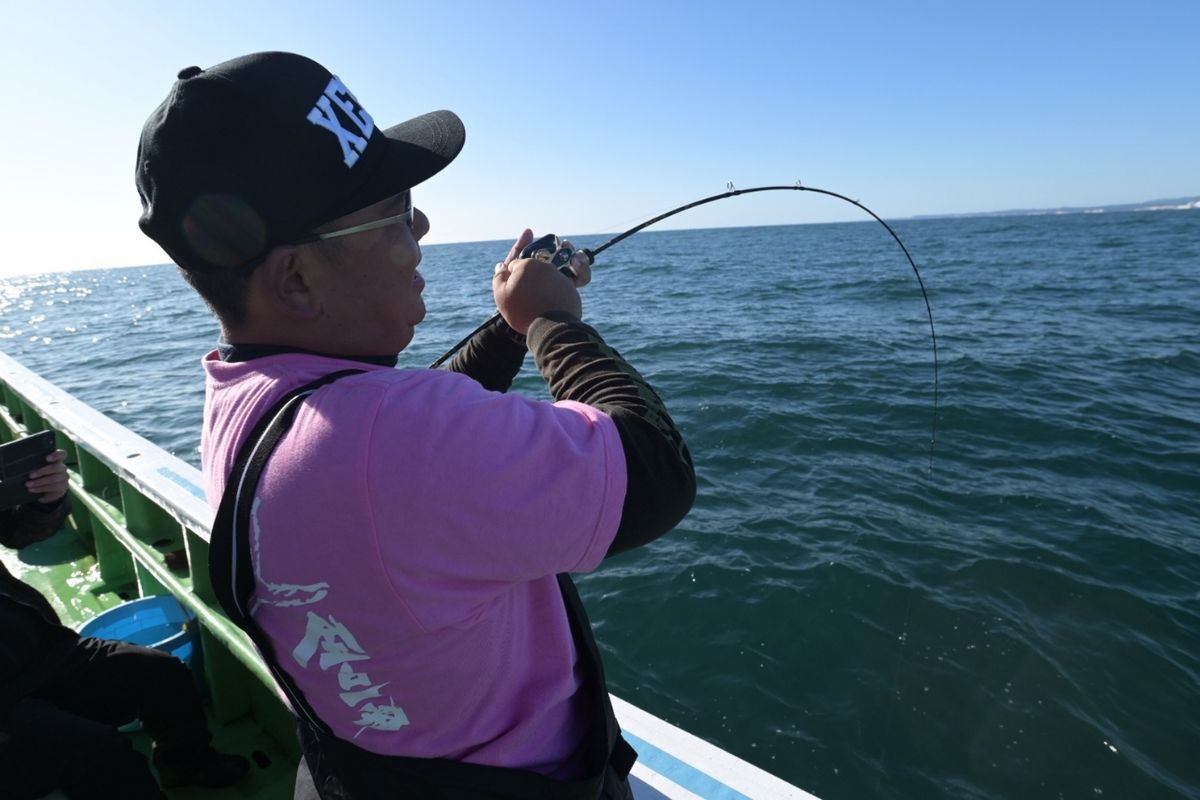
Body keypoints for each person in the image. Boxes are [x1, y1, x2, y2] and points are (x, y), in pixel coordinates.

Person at [135, 51, 695, 800]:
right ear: (297, 278)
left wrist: (507, 328)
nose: (423, 222)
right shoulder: (395, 445)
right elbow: (655, 473)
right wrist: (553, 322)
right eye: (394, 209)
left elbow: (395, 452)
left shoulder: (251, 393)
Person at [0, 448, 250, 799]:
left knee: (161, 674)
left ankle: (186, 766)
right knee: (105, 758)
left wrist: (47, 500)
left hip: (41, 649)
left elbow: (16, 531)